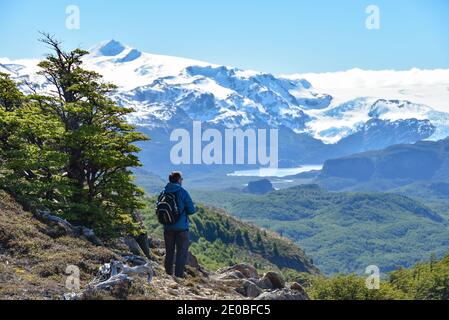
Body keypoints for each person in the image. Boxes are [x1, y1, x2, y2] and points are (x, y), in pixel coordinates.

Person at [162, 171, 197, 278]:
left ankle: (168, 274)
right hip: (182, 228)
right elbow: (191, 210)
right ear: (178, 180)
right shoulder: (182, 192)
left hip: (167, 226)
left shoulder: (164, 191)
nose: (182, 181)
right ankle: (178, 276)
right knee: (181, 253)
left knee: (169, 252)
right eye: (181, 179)